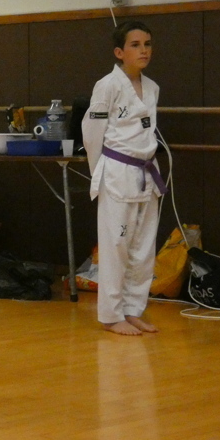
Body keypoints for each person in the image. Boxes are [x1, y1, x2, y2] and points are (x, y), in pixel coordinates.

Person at [82, 21, 164, 336]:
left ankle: (132, 309)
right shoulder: (107, 86)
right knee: (116, 245)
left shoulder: (152, 88)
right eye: (135, 45)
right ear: (119, 52)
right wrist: (100, 172)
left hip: (147, 171)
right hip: (116, 171)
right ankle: (110, 314)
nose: (144, 50)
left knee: (142, 248)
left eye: (147, 44)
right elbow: (92, 133)